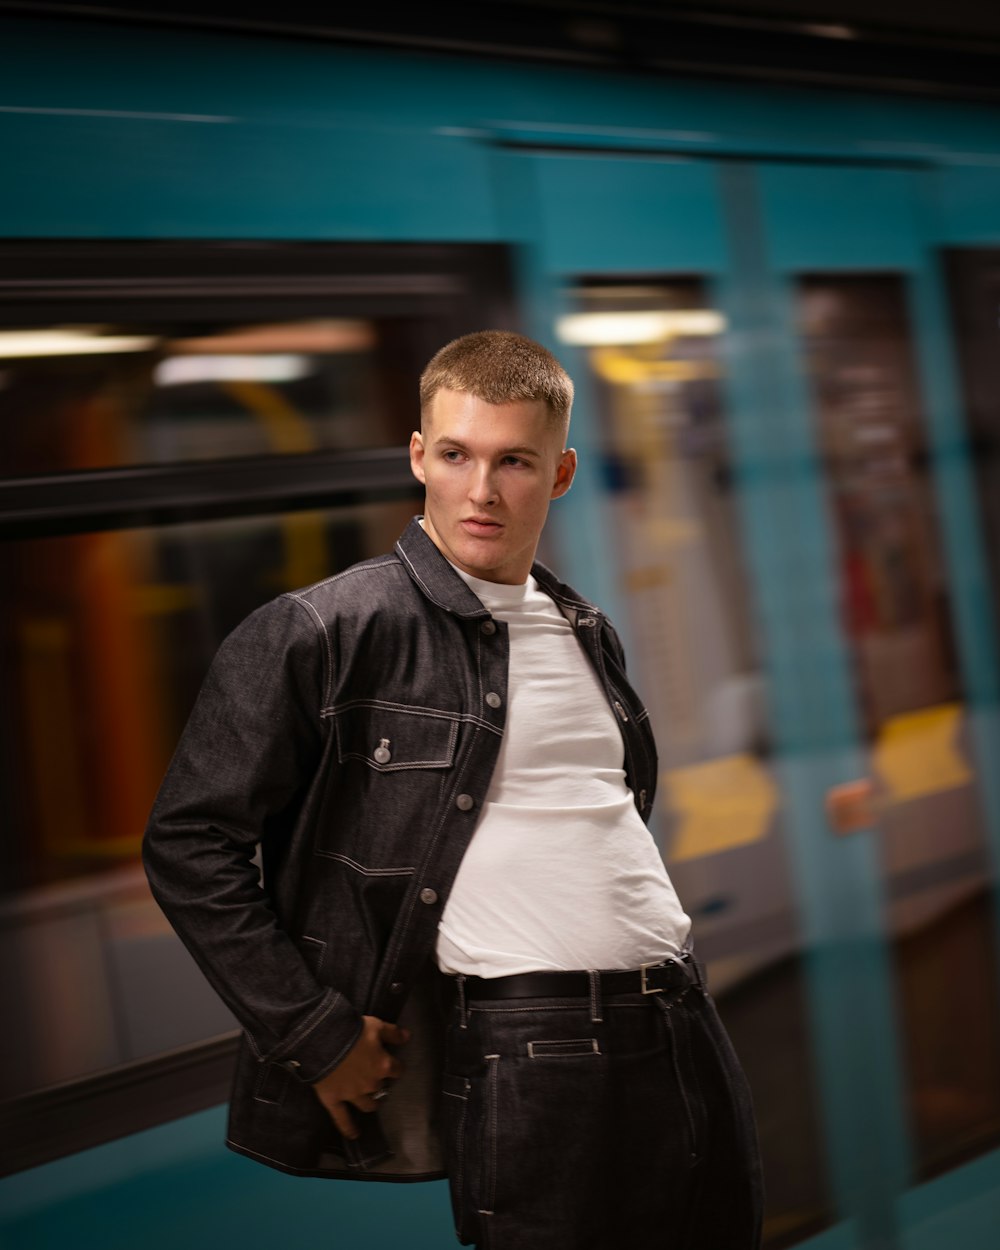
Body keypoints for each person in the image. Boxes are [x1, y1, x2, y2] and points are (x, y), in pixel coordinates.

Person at [143, 330, 762, 1249]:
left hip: (681, 1018)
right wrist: (312, 1033)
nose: (482, 490)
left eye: (514, 461)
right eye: (457, 455)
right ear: (418, 456)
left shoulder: (585, 628)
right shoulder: (322, 631)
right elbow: (189, 844)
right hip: (534, 1051)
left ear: (559, 474)